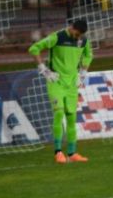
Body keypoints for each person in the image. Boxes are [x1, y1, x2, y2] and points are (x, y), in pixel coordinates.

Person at [29, 19, 93, 164]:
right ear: (72, 28)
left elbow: (88, 55)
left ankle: (72, 153)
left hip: (72, 84)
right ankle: (58, 152)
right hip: (56, 81)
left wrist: (83, 72)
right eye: (77, 34)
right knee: (58, 113)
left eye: (81, 35)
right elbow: (34, 49)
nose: (78, 38)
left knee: (71, 117)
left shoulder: (83, 40)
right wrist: (43, 69)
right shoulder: (57, 37)